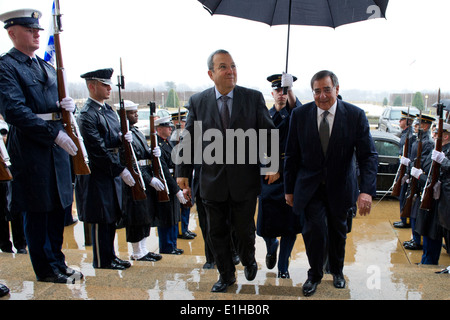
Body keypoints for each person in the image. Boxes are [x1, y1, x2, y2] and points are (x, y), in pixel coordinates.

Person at [176, 49, 275, 293]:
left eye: (232, 66)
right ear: (211, 73)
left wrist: (271, 165)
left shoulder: (252, 98)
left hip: (244, 182)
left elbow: (268, 132)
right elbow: (188, 138)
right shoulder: (198, 101)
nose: (230, 71)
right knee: (216, 233)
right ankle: (226, 275)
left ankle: (249, 259)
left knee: (243, 230)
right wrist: (182, 172)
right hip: (211, 181)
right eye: (223, 67)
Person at [0, 8, 82, 283]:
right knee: (38, 210)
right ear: (12, 33)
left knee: (59, 206)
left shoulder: (46, 67)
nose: (37, 33)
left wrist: (63, 108)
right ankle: (45, 270)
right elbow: (15, 111)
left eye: (38, 29)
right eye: (29, 30)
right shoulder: (6, 67)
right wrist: (53, 133)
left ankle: (57, 261)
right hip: (32, 147)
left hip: (55, 147)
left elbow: (49, 105)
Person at [284, 70, 378, 297]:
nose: (322, 96)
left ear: (337, 89)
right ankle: (314, 274)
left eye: (327, 89)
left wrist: (366, 191)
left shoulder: (355, 115)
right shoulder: (300, 115)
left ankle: (337, 271)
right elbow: (291, 156)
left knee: (338, 233)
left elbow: (368, 156)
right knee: (314, 231)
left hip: (341, 188)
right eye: (317, 91)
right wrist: (288, 189)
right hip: (310, 188)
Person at [75, 68, 133, 270]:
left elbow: (114, 136)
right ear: (92, 86)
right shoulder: (87, 115)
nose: (109, 88)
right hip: (100, 172)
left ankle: (111, 255)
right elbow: (97, 150)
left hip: (112, 168)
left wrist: (123, 138)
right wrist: (119, 169)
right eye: (104, 85)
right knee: (101, 216)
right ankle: (101, 260)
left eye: (109, 85)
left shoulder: (108, 110)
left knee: (111, 215)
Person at [256, 73, 302, 278]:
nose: (281, 95)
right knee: (266, 224)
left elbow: (299, 112)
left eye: (284, 91)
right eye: (278, 91)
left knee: (289, 227)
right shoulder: (264, 115)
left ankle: (283, 267)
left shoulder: (295, 114)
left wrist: (289, 88)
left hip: (289, 175)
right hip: (268, 175)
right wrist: (270, 168)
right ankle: (271, 245)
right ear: (272, 93)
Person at [118, 100, 163, 262]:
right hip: (135, 180)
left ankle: (143, 249)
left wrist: (153, 153)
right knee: (136, 216)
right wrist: (149, 179)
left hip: (144, 176)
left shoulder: (135, 132)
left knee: (145, 215)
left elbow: (143, 155)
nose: (136, 114)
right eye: (131, 112)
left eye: (136, 111)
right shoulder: (123, 134)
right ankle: (137, 251)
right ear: (123, 115)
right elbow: (129, 162)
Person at [412, 121, 449, 264]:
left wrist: (420, 176)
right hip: (428, 195)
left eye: (436, 133)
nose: (433, 136)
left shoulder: (446, 153)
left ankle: (430, 262)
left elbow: (437, 176)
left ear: (445, 137)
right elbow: (428, 169)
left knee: (433, 233)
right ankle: (425, 260)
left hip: (439, 200)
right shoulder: (436, 151)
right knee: (426, 230)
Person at [401, 114, 435, 250]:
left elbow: (424, 162)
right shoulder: (417, 140)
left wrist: (415, 171)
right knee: (412, 209)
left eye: (418, 124)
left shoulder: (428, 143)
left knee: (416, 211)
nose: (415, 127)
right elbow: (412, 157)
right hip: (414, 176)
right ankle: (415, 238)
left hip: (420, 180)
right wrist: (409, 169)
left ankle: (418, 240)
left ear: (425, 126)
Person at [155, 115, 187, 254]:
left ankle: (172, 244)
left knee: (174, 216)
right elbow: (164, 171)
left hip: (173, 180)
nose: (170, 129)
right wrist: (175, 188)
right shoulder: (158, 145)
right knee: (166, 218)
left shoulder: (168, 142)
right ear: (159, 129)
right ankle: (166, 246)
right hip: (166, 183)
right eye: (167, 127)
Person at [171, 110, 196, 240]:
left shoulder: (187, 136)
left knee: (187, 202)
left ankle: (185, 228)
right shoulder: (173, 139)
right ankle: (181, 230)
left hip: (188, 175)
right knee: (181, 205)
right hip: (178, 176)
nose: (183, 124)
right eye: (180, 122)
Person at [393, 111, 416, 229]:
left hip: (406, 169)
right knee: (401, 194)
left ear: (407, 122)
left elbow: (411, 154)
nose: (399, 122)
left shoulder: (410, 136)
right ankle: (403, 217)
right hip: (403, 167)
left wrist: (407, 170)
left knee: (404, 195)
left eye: (401, 120)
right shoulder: (405, 134)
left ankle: (405, 219)